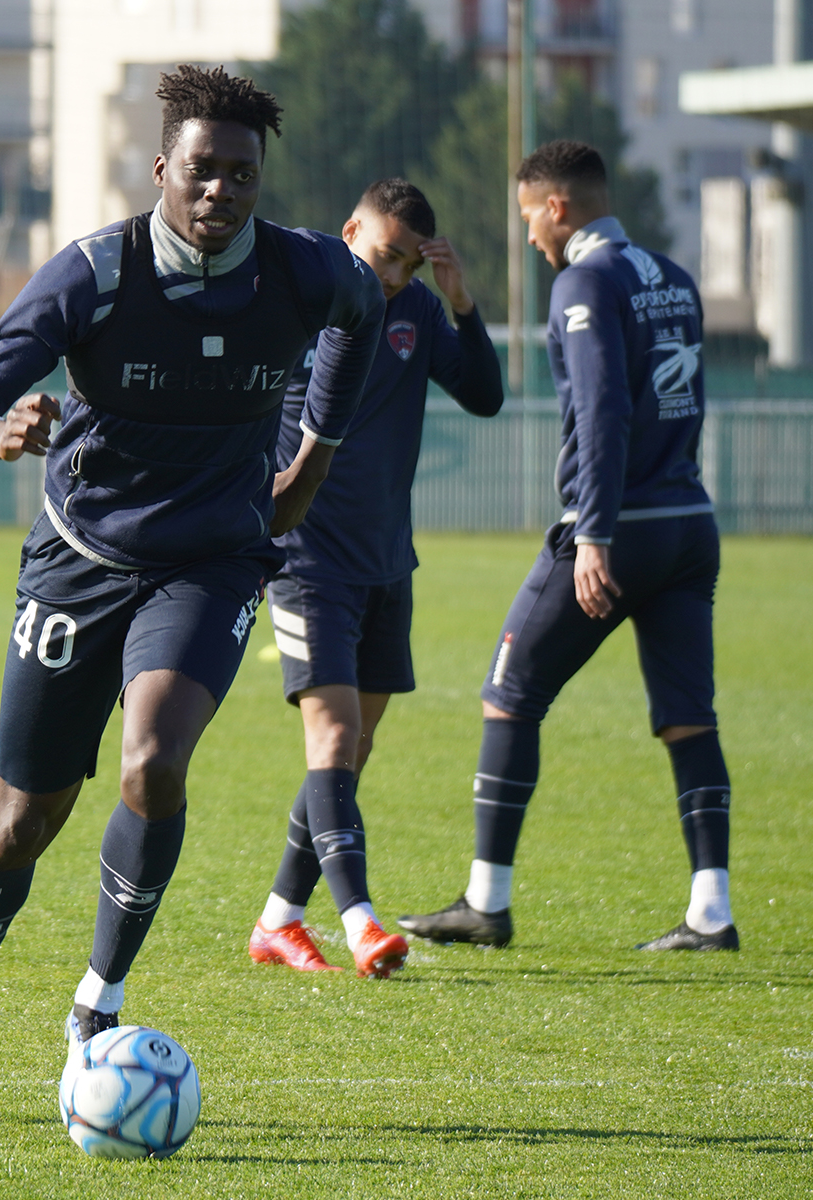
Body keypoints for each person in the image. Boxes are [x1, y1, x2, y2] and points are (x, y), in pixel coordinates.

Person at [0, 65, 384, 1122]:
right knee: (19, 822)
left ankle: (97, 1007)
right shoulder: (93, 276)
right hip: (80, 560)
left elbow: (364, 310)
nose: (219, 193)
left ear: (259, 181)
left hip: (210, 562)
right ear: (162, 168)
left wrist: (315, 456)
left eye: (240, 176)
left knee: (153, 762)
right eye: (200, 171)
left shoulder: (302, 272)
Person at [397, 140, 738, 953]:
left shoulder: (584, 281)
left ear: (557, 206)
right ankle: (711, 912)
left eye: (528, 218)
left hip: (621, 529)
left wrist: (594, 533)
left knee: (508, 692)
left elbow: (606, 406)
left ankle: (486, 903)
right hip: (690, 523)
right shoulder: (673, 277)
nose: (528, 239)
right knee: (688, 719)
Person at [247, 179, 503, 978]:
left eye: (406, 265)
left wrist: (460, 302)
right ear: (350, 228)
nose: (392, 275)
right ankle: (359, 921)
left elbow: (486, 396)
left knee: (352, 749)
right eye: (383, 254)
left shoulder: (421, 311)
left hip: (388, 562)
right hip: (307, 559)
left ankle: (278, 921)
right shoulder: (298, 300)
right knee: (331, 738)